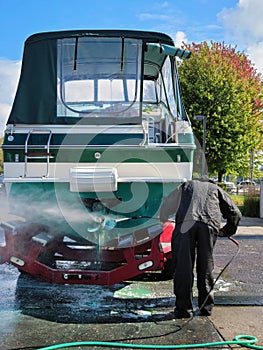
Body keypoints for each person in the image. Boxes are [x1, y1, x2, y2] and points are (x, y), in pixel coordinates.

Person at [160, 177, 241, 319]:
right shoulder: (216, 189)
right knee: (206, 264)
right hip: (209, 225)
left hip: (185, 224)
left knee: (183, 266)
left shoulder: (186, 185)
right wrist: (226, 230)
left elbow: (167, 203)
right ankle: (206, 307)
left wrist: (163, 218)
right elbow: (235, 213)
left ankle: (183, 310)